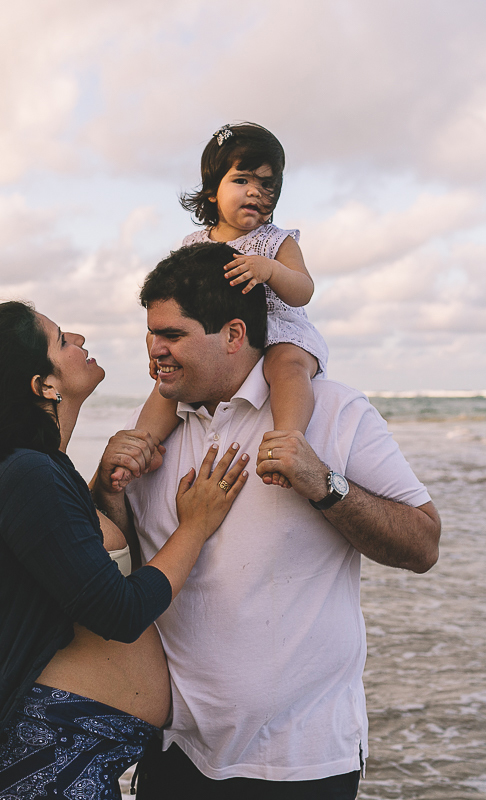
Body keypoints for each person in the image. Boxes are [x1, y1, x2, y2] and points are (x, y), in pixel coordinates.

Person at [92, 243, 441, 799]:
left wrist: (324, 483)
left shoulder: (333, 413)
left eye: (174, 335)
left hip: (302, 761)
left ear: (234, 334)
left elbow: (423, 544)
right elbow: (121, 572)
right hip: (175, 752)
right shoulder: (153, 436)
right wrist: (105, 484)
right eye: (151, 335)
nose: (155, 350)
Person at [0, 300, 250, 800]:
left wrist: (105, 490)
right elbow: (117, 612)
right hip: (44, 759)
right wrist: (195, 526)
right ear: (44, 386)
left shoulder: (34, 469)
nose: (77, 336)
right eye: (60, 340)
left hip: (60, 752)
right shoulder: (27, 474)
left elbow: (71, 566)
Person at [112, 122, 326, 490]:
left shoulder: (276, 241)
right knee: (169, 389)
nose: (256, 192)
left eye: (267, 184)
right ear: (212, 191)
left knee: (288, 368)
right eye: (242, 180)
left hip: (278, 331)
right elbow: (174, 306)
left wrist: (271, 270)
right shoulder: (195, 243)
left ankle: (286, 443)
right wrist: (161, 352)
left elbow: (302, 291)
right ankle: (141, 446)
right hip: (216, 340)